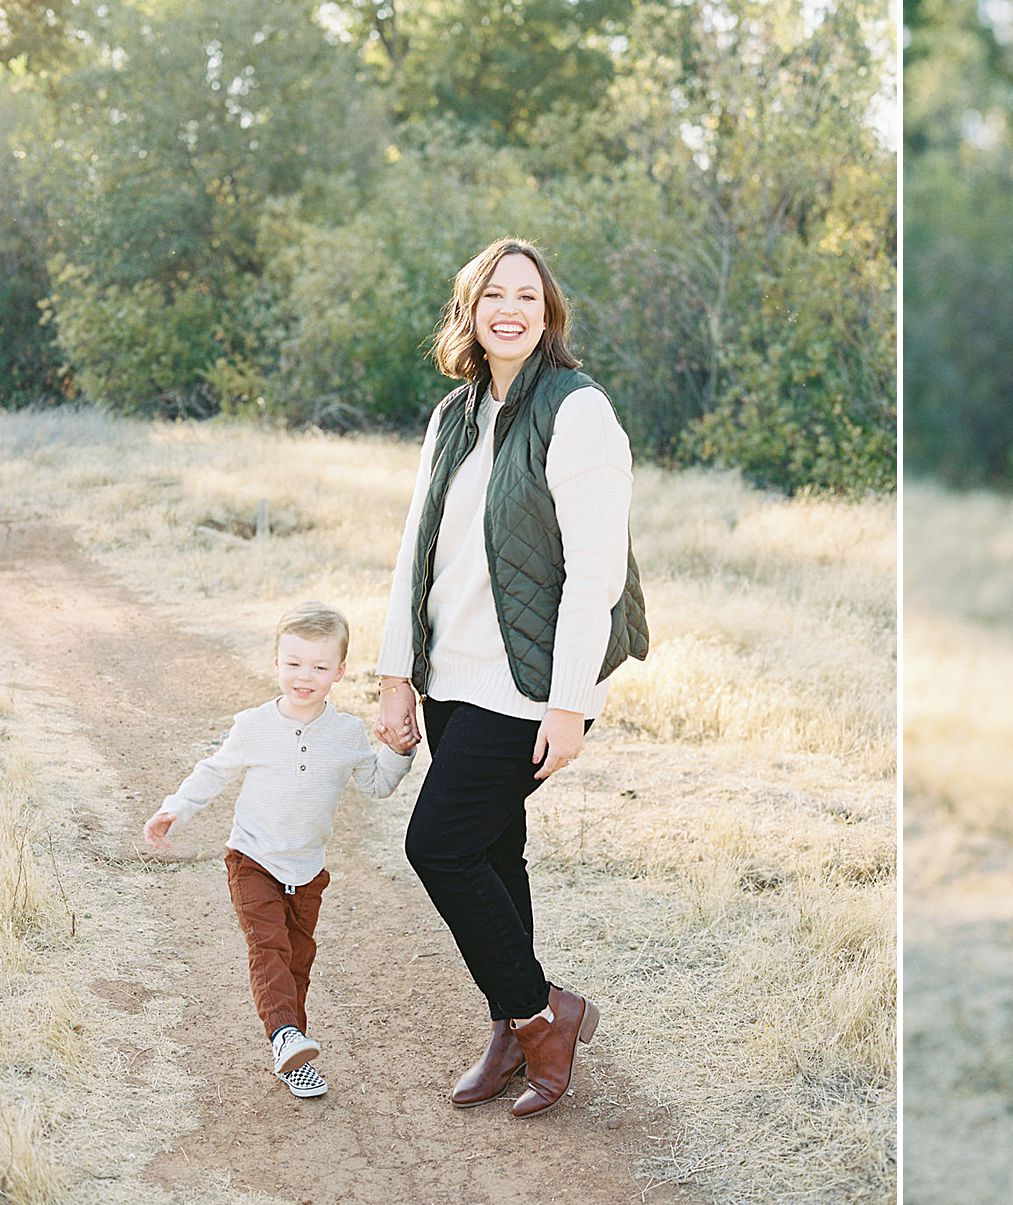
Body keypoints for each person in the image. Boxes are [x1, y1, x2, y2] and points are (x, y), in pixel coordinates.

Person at [373, 236, 647, 1119]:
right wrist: (397, 675)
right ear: (470, 309)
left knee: (438, 844)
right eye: (495, 293)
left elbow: (596, 575)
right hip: (454, 675)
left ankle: (542, 1013)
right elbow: (417, 549)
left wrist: (570, 704)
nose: (512, 308)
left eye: (528, 295)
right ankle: (509, 1024)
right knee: (492, 850)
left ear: (548, 312)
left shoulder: (578, 412)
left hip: (530, 686)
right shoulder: (455, 416)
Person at [143, 602, 415, 1099]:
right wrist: (175, 809)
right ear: (275, 663)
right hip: (252, 859)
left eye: (318, 666)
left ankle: (293, 1054)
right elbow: (214, 771)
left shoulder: (347, 734)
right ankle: (285, 1034)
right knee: (267, 946)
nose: (303, 676)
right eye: (292, 663)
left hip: (308, 870)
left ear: (339, 671)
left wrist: (399, 751)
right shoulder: (254, 725)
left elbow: (377, 785)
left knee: (297, 959)